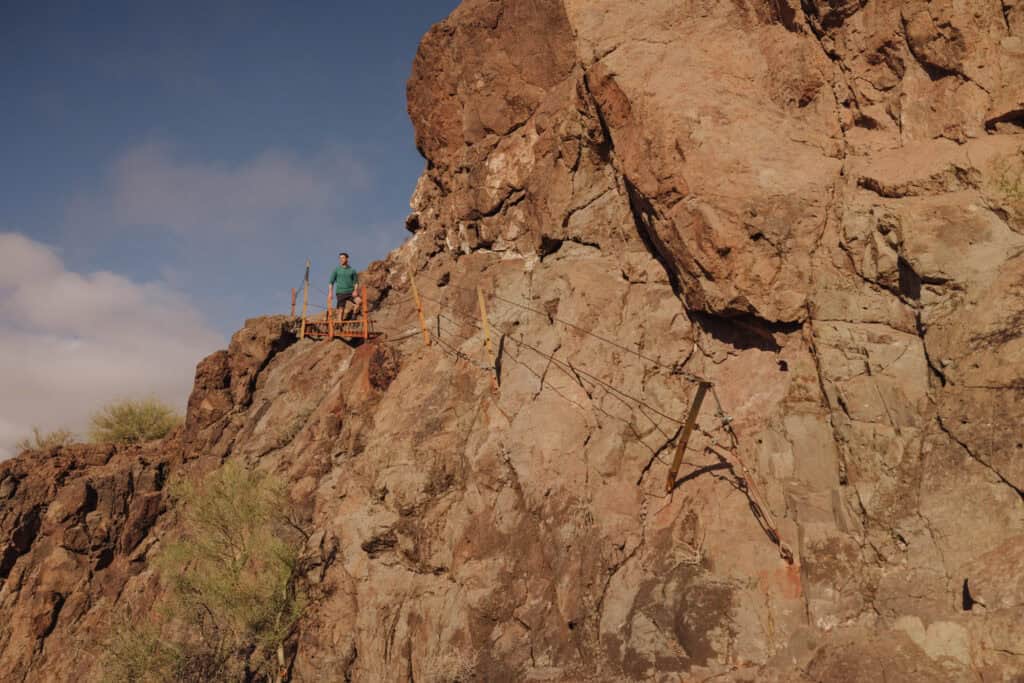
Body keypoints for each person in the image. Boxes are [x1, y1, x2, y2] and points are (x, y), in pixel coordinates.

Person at [329, 252, 359, 320]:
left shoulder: (352, 270)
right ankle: (340, 326)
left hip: (350, 292)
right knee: (341, 310)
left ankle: (353, 317)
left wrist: (355, 290)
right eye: (340, 258)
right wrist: (330, 293)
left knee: (359, 302)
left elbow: (356, 282)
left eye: (343, 258)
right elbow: (331, 282)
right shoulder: (336, 270)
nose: (341, 259)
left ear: (347, 259)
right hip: (340, 292)